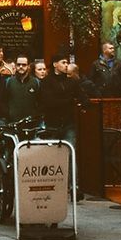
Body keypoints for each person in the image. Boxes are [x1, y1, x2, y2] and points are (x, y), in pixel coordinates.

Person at [35, 53, 88, 199]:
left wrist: (82, 103)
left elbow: (83, 97)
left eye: (67, 62)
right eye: (63, 62)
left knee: (71, 153)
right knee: (51, 156)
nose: (66, 65)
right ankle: (52, 185)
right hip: (52, 124)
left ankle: (74, 187)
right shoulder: (47, 82)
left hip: (68, 123)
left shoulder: (72, 82)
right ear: (55, 64)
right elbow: (49, 102)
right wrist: (70, 101)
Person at [4, 55, 41, 123]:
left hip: (31, 124)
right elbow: (4, 101)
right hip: (12, 124)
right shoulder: (9, 82)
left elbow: (40, 103)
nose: (21, 67)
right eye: (18, 64)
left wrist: (35, 116)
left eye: (24, 65)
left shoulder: (36, 82)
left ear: (28, 66)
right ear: (15, 66)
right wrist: (8, 115)